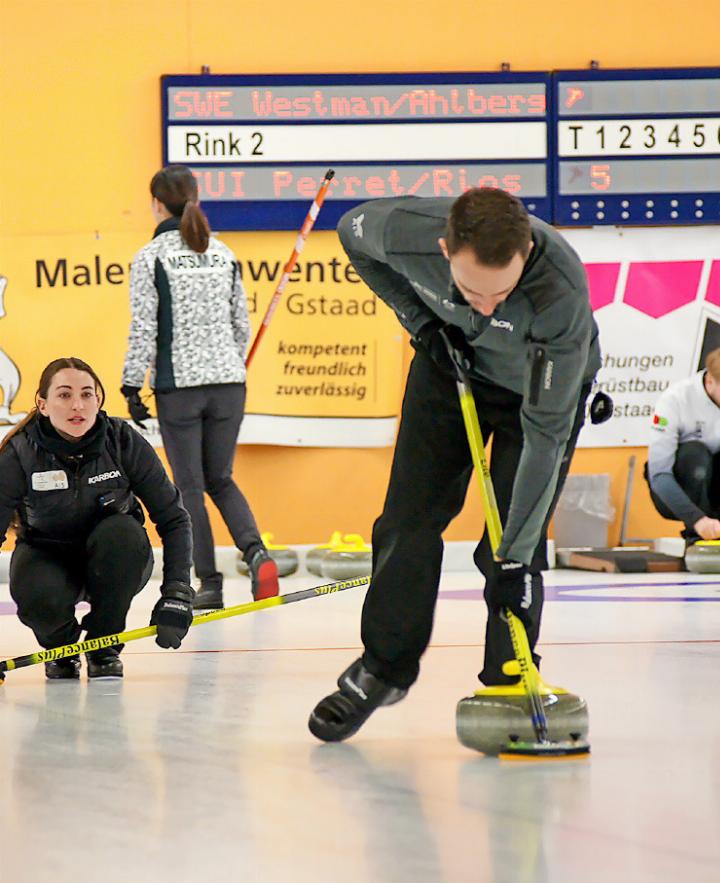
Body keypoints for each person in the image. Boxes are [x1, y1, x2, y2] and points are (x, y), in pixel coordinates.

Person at [309, 188, 608, 742]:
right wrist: (422, 323)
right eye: (472, 292)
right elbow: (352, 235)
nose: (487, 307)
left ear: (526, 254)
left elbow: (545, 438)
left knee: (511, 543)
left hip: (536, 392)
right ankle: (384, 667)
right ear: (445, 250)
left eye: (502, 293)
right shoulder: (405, 230)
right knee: (407, 521)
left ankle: (509, 674)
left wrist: (514, 560)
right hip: (449, 362)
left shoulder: (560, 291)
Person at [121, 164, 278, 610]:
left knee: (189, 487)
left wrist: (131, 385)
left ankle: (209, 583)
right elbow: (240, 325)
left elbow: (144, 328)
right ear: (195, 200)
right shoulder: (223, 252)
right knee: (221, 478)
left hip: (180, 388)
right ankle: (257, 553)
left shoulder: (151, 257)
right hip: (229, 383)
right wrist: (227, 364)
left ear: (156, 204)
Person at [0, 357, 195, 681]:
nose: (77, 405)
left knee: (122, 533)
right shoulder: (19, 454)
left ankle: (104, 647)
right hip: (46, 554)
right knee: (38, 596)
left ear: (98, 400)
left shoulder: (123, 441)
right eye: (64, 395)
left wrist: (177, 593)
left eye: (86, 394)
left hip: (115, 558)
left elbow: (174, 518)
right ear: (43, 404)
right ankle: (61, 649)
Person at [645, 349, 720, 542]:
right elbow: (659, 475)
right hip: (679, 486)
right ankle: (697, 534)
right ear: (710, 381)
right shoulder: (675, 400)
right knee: (695, 454)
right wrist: (698, 520)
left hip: (714, 483)